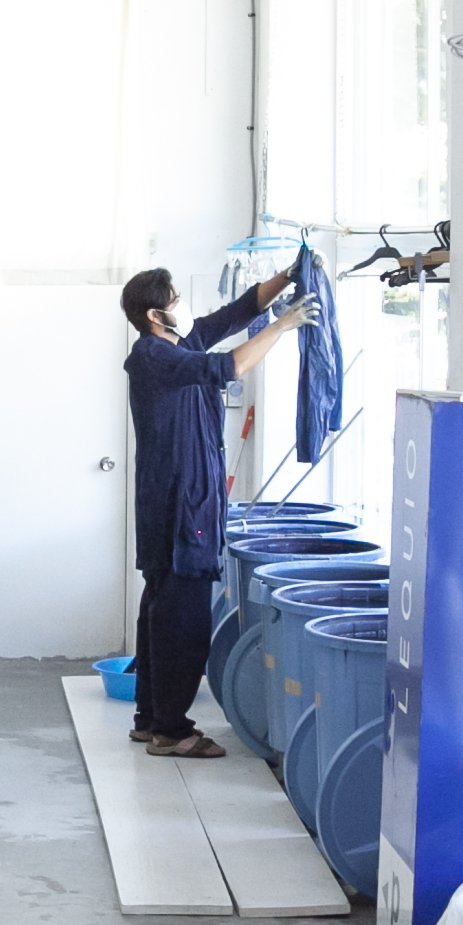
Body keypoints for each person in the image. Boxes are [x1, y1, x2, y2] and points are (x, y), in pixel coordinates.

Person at [122, 264, 309, 756]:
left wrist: (287, 277)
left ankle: (150, 718)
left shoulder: (180, 344)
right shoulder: (153, 357)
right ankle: (172, 731)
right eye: (174, 299)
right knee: (182, 622)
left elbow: (235, 313)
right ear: (155, 314)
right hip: (180, 510)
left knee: (159, 612)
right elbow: (228, 367)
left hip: (175, 504)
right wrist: (283, 326)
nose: (182, 305)